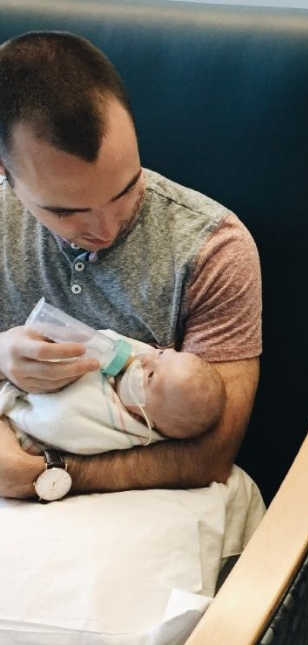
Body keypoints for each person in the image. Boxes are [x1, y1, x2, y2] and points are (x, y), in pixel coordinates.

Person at [0, 31, 261, 500]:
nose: (104, 228)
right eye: (66, 211)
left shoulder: (213, 250)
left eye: (125, 189)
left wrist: (45, 474)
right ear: (4, 173)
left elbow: (210, 455)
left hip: (131, 510)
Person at [2, 329, 227, 455]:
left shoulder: (110, 425)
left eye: (150, 376)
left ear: (144, 418)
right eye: (161, 355)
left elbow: (56, 421)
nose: (146, 358)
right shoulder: (138, 354)